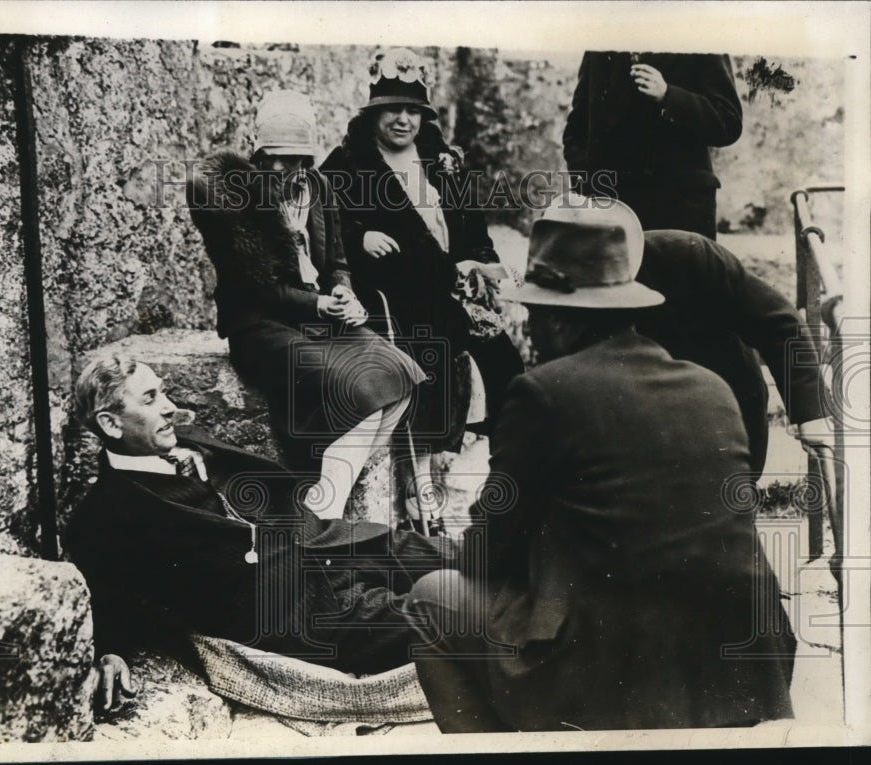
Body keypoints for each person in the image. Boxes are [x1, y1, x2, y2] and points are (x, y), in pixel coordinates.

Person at [404, 198, 796, 731]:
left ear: (560, 319)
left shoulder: (541, 392)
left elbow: (492, 553)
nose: (532, 328)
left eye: (536, 310)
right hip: (746, 665)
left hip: (620, 670)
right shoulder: (714, 388)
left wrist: (465, 541)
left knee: (431, 599)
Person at [65, 354, 459, 710]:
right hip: (297, 610)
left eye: (163, 393)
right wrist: (111, 650)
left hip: (326, 540)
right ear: (110, 423)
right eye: (150, 400)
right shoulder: (105, 514)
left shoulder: (185, 445)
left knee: (454, 554)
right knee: (447, 616)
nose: (170, 408)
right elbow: (105, 591)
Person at [185, 90, 426, 520]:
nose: (280, 168)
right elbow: (255, 289)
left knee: (403, 373)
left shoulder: (319, 189)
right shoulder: (235, 199)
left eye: (292, 158)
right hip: (260, 327)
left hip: (319, 319)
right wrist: (319, 306)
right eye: (270, 157)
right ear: (256, 152)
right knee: (359, 384)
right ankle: (326, 508)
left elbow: (335, 262)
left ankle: (326, 494)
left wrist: (344, 293)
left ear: (307, 159)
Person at [321, 48, 524, 522]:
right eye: (392, 109)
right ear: (373, 113)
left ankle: (512, 475)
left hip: (453, 293)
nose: (403, 120)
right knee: (427, 367)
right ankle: (420, 493)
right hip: (397, 299)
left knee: (508, 371)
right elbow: (323, 229)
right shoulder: (348, 164)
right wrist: (358, 235)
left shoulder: (442, 160)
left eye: (413, 110)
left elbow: (473, 228)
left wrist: (479, 261)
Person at [636, 228, 829, 473]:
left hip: (725, 411)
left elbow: (779, 324)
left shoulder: (685, 253)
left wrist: (810, 414)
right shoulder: (574, 291)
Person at [563, 52, 742, 239]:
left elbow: (728, 123)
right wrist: (589, 191)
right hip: (614, 214)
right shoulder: (603, 40)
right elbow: (576, 131)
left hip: (680, 212)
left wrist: (668, 95)